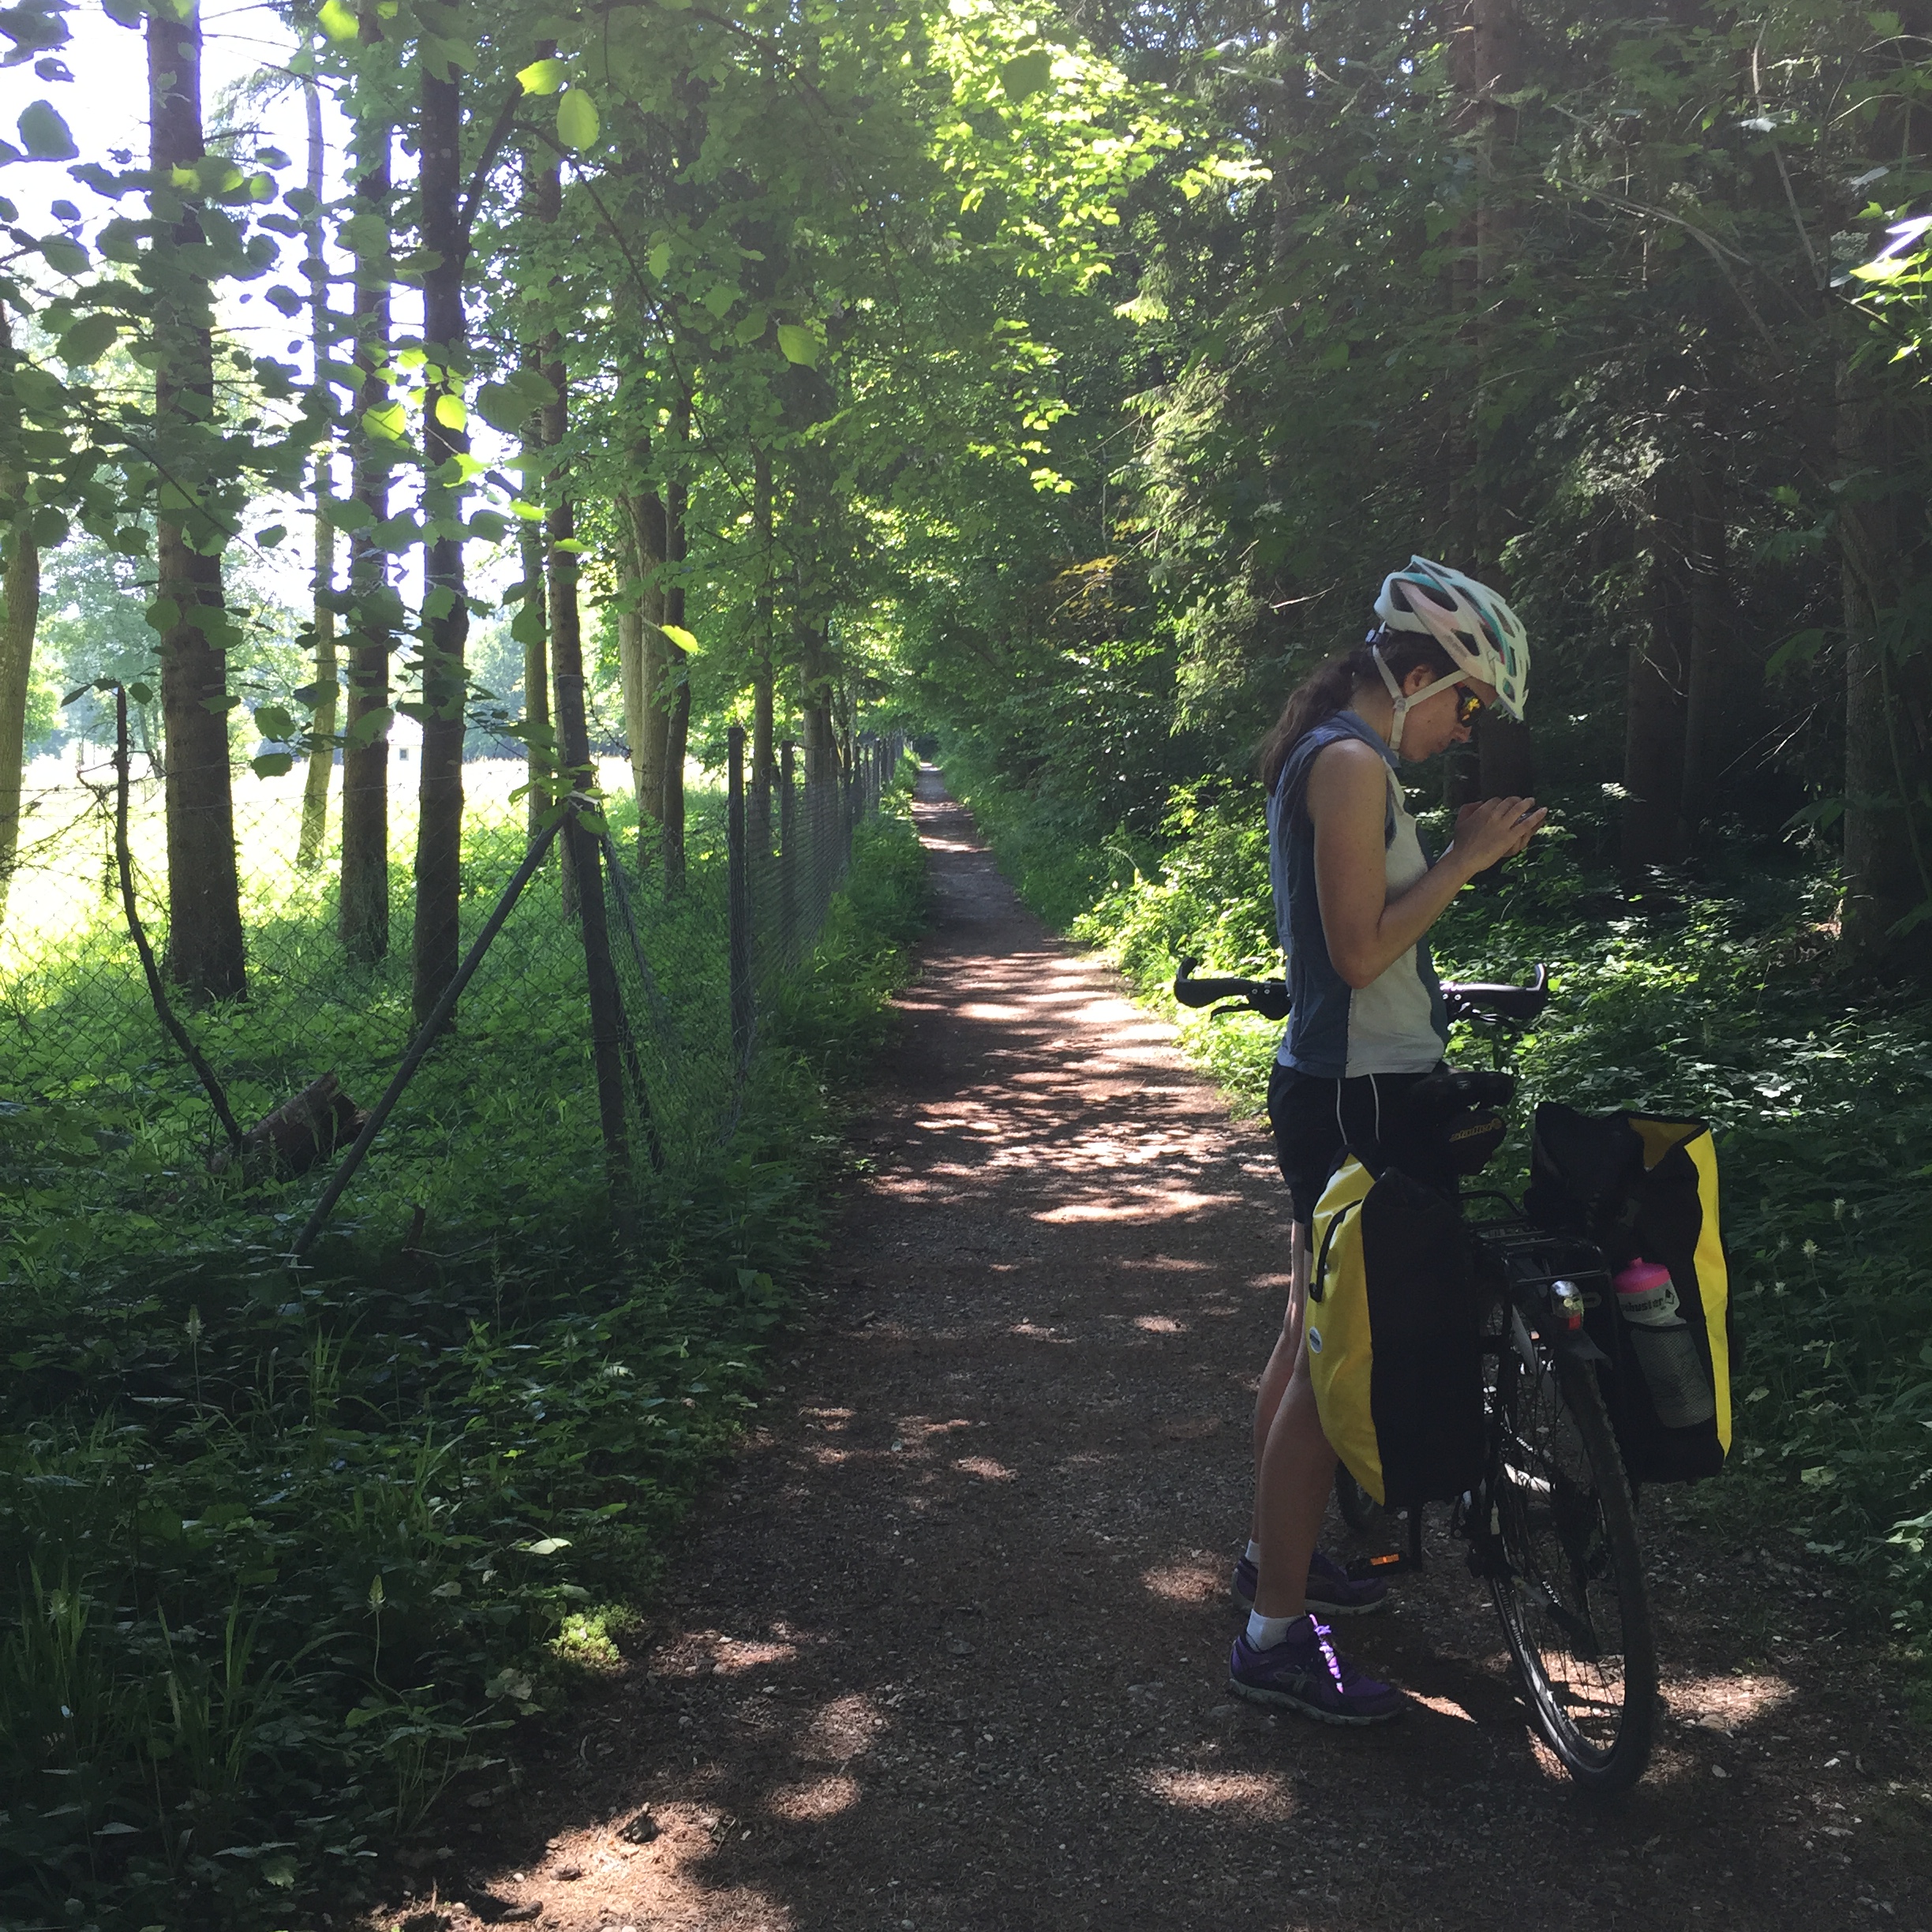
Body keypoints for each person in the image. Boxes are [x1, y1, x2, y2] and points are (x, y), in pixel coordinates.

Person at [1226, 557, 1544, 1724]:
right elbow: (1359, 954)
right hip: (1358, 1095)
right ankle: (1272, 1642)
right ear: (1416, 677)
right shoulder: (1352, 764)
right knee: (1336, 1362)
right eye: (1467, 701)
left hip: (1347, 1083)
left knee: (1306, 1333)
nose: (1468, 728)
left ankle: (1275, 1567)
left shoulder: (1344, 756)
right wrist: (1464, 860)